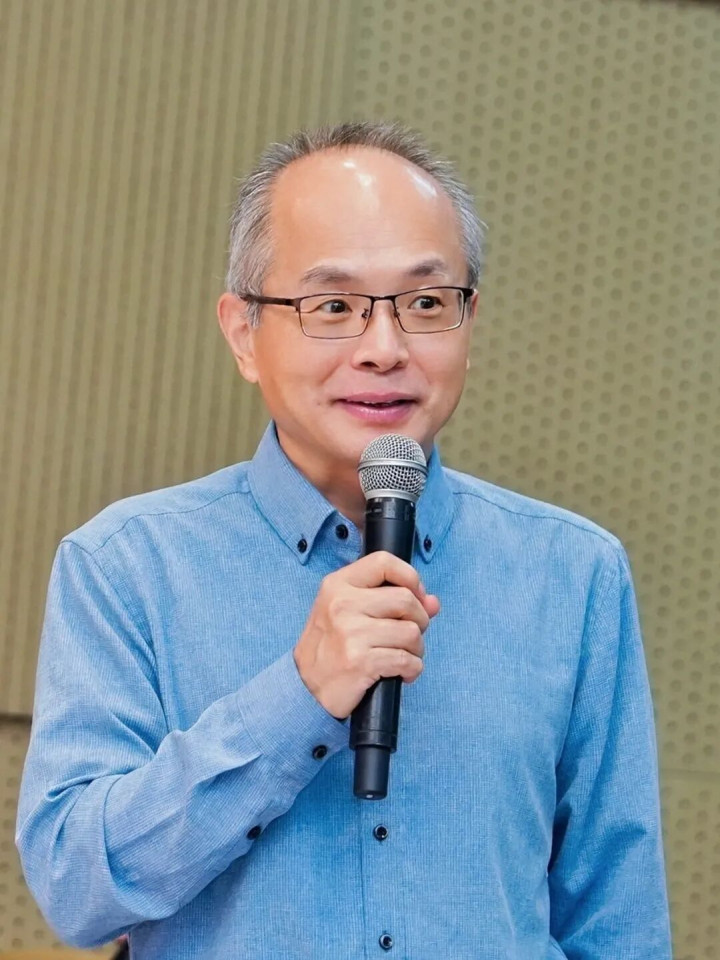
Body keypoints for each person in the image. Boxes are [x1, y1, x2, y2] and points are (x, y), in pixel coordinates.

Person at [16, 121, 672, 959]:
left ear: (470, 321)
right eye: (332, 307)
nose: (384, 349)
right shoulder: (126, 567)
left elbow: (618, 925)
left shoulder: (575, 576)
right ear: (244, 334)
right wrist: (300, 695)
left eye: (425, 304)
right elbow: (76, 887)